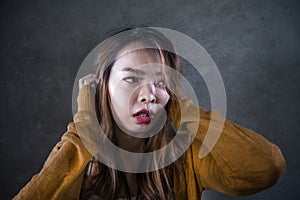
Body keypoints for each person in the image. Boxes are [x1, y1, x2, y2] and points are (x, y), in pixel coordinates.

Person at [14, 27, 286, 200]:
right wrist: (86, 132)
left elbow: (265, 170)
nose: (149, 95)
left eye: (161, 82)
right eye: (132, 79)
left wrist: (186, 114)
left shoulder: (187, 159)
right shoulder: (76, 159)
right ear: (102, 90)